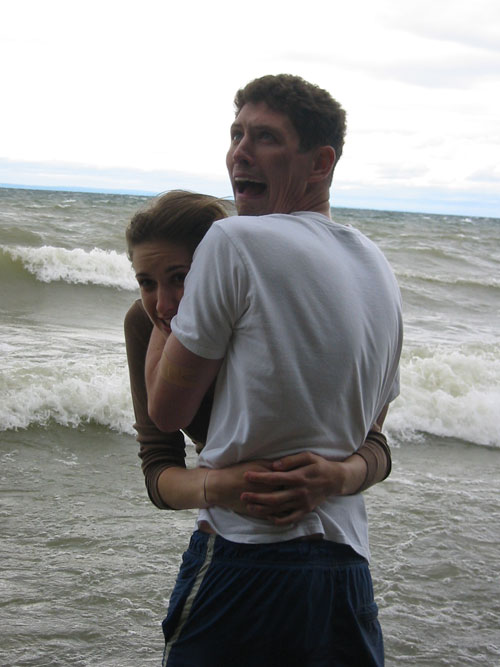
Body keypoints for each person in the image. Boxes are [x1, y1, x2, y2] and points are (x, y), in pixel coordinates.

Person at [144, 74, 403, 666]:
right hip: (345, 571)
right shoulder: (378, 268)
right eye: (236, 134)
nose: (240, 152)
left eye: (265, 138)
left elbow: (167, 410)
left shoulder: (232, 241)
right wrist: (335, 477)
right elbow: (374, 434)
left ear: (320, 162)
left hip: (245, 558)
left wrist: (157, 312)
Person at [125, 190, 392, 516]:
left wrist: (337, 478)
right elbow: (158, 466)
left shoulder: (268, 307)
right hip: (231, 525)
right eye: (147, 283)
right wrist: (219, 486)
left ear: (214, 268)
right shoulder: (145, 323)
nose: (162, 303)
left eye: (180, 278)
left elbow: (374, 439)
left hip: (328, 523)